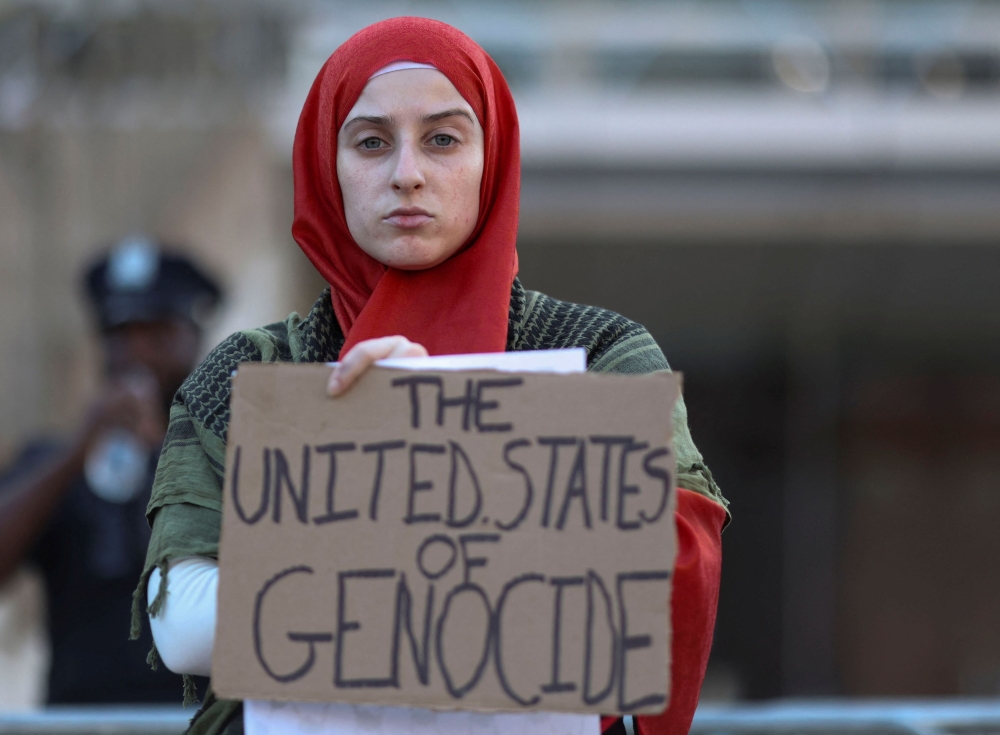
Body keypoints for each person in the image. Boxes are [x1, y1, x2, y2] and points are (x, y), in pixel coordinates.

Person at [137, 17, 729, 735]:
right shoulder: (247, 371)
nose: (407, 172)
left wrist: (435, 443)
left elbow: (661, 580)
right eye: (371, 142)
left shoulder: (601, 353)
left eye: (443, 139)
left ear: (492, 158)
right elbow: (185, 624)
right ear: (328, 168)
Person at [0, 236, 221, 704]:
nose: (137, 352)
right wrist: (79, 450)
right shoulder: (55, 461)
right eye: (120, 334)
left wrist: (172, 448)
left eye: (157, 333)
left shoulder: (231, 456)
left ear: (195, 338)